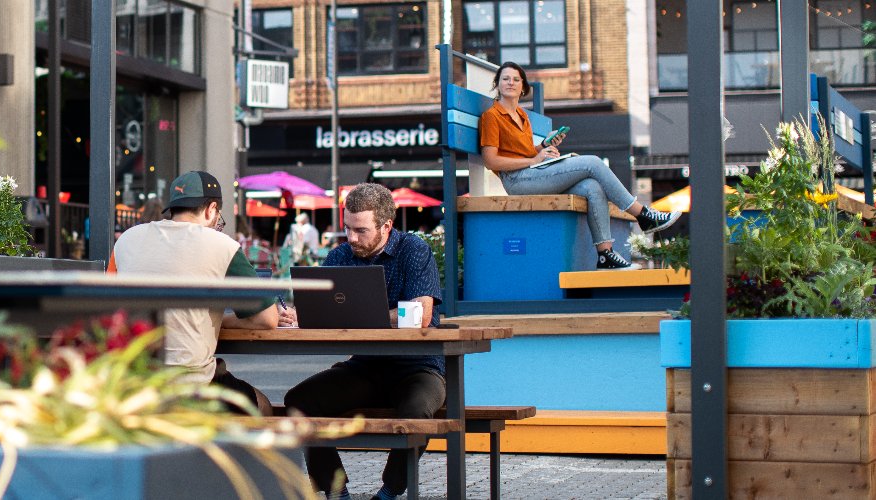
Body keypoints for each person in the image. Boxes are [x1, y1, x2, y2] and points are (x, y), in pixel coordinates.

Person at [279, 183, 442, 500]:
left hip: (418, 366)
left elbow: (420, 314)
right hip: (365, 366)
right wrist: (298, 315)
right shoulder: (340, 255)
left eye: (361, 231)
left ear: (386, 226)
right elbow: (320, 309)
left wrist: (358, 314)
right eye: (348, 229)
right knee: (300, 401)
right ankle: (335, 490)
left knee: (417, 412)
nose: (352, 238)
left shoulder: (413, 249)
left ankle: (390, 491)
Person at [478, 62, 680, 270]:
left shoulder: (522, 115)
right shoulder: (492, 117)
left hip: (533, 174)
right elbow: (491, 160)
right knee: (593, 163)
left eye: (516, 79)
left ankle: (605, 255)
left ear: (523, 87)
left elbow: (525, 152)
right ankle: (642, 214)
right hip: (517, 181)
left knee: (592, 186)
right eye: (505, 79)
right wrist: (534, 160)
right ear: (497, 84)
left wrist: (544, 146)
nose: (510, 83)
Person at [108, 171, 280, 414]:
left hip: (133, 381)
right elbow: (267, 319)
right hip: (191, 384)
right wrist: (218, 320)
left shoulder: (126, 240)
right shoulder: (222, 245)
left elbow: (109, 308)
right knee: (264, 407)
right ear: (211, 210)